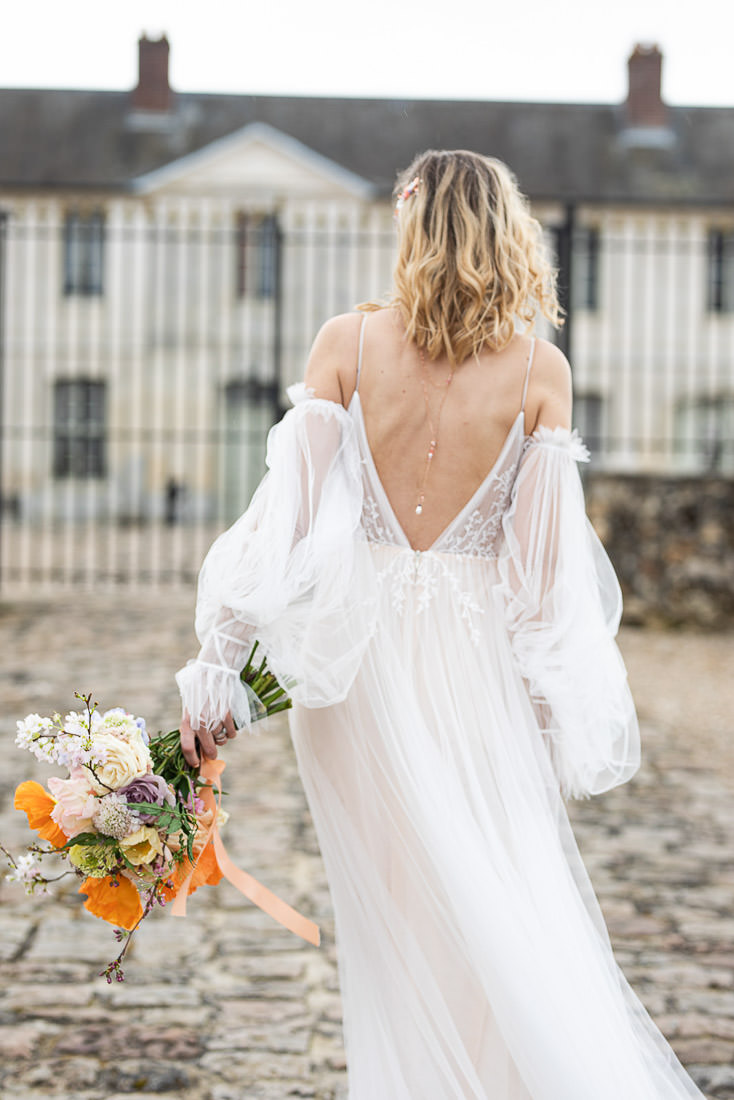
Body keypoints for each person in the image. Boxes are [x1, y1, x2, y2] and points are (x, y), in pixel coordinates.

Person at [176, 150, 707, 1099]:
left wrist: (218, 664)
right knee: (491, 897)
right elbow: (544, 585)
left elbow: (279, 525)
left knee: (390, 916)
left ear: (413, 225)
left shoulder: (345, 343)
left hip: (356, 668)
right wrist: (544, 728)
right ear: (510, 234)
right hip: (476, 668)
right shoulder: (542, 370)